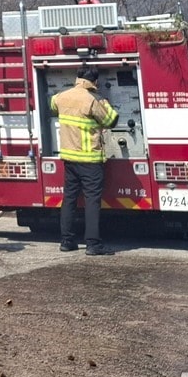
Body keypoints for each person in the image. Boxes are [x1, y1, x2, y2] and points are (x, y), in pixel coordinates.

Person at [53, 67, 120, 256]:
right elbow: (111, 120)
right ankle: (93, 244)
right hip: (89, 159)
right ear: (95, 82)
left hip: (69, 158)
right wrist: (104, 101)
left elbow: (51, 105)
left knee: (69, 199)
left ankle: (66, 241)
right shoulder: (93, 99)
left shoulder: (61, 96)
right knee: (92, 201)